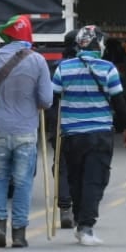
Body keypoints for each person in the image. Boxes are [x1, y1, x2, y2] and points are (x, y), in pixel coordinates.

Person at [0, 14, 54, 249]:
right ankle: (19, 234)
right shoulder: (38, 61)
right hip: (26, 132)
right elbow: (47, 100)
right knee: (22, 182)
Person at [51, 24, 126, 246]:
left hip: (71, 134)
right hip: (99, 133)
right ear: (99, 44)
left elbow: (52, 100)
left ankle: (80, 220)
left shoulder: (63, 69)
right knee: (95, 180)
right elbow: (119, 102)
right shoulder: (108, 69)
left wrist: (53, 128)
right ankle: (86, 227)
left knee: (76, 179)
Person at [55, 27, 79, 229]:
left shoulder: (58, 67)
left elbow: (50, 98)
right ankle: (79, 207)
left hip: (60, 124)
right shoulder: (85, 66)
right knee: (81, 166)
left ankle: (65, 208)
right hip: (82, 124)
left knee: (61, 164)